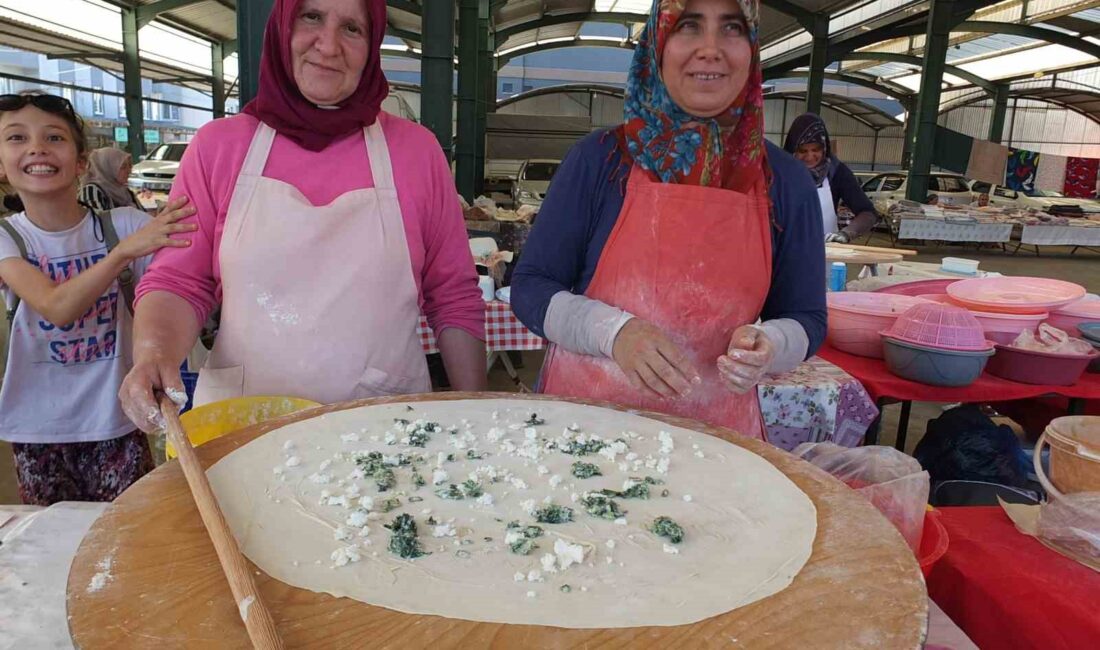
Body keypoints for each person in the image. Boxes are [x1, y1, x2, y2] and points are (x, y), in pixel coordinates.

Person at [120, 0, 486, 431]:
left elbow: (453, 297)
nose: (328, 45)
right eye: (311, 17)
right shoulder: (219, 148)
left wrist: (479, 414)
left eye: (352, 28)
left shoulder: (416, 152)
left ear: (372, 48)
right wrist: (153, 354)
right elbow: (180, 281)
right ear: (281, 28)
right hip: (244, 426)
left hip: (384, 427)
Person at [511, 0, 827, 441]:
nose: (711, 48)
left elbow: (807, 317)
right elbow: (530, 288)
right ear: (658, 44)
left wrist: (771, 345)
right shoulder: (600, 160)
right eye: (689, 27)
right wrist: (613, 332)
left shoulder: (785, 181)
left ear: (752, 48)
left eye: (732, 28)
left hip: (717, 444)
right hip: (583, 435)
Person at [0, 92, 196, 505]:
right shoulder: (7, 238)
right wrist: (123, 253)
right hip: (39, 430)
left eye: (54, 138)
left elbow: (183, 268)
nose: (36, 147)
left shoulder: (125, 223)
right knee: (56, 545)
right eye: (16, 138)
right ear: (1, 166)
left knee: (126, 535)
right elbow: (57, 306)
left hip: (116, 423)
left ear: (82, 162)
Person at [783, 112, 878, 244]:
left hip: (825, 253)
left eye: (816, 150)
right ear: (792, 150)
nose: (810, 157)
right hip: (784, 252)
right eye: (803, 151)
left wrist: (846, 233)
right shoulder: (780, 172)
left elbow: (868, 213)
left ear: (825, 148)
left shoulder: (837, 172)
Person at [79, 147, 141, 211]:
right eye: (123, 167)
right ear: (107, 168)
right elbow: (97, 219)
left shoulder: (125, 192)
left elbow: (144, 215)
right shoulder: (91, 192)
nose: (129, 171)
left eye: (130, 165)